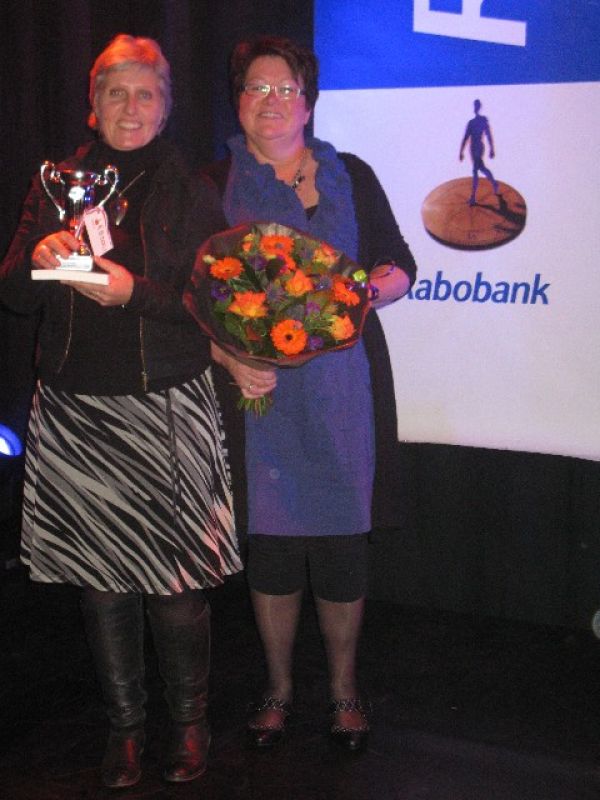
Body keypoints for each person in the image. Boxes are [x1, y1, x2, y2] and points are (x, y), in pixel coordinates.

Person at [0, 34, 242, 788]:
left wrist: (134, 293)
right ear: (93, 104)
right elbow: (12, 293)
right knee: (102, 583)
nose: (130, 108)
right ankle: (126, 728)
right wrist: (40, 257)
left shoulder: (191, 190)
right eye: (115, 93)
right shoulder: (58, 183)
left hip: (165, 405)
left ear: (165, 107)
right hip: (76, 410)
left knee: (176, 585)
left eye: (145, 94)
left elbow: (211, 305)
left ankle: (190, 721)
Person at [198, 35, 417, 752]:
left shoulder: (352, 174)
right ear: (238, 101)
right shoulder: (213, 183)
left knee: (343, 546)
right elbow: (189, 298)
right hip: (259, 396)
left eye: (286, 88)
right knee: (273, 548)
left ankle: (345, 688)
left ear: (309, 102)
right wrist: (230, 359)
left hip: (344, 392)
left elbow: (400, 264)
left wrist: (363, 292)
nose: (272, 100)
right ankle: (279, 687)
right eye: (256, 87)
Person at [459, 98, 499, 205]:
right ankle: (494, 183)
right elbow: (466, 137)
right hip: (472, 148)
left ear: (479, 107)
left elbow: (488, 135)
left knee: (475, 170)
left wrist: (492, 148)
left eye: (477, 106)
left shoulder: (483, 121)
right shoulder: (471, 123)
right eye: (475, 106)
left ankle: (473, 197)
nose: (475, 108)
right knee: (481, 168)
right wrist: (461, 152)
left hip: (479, 147)